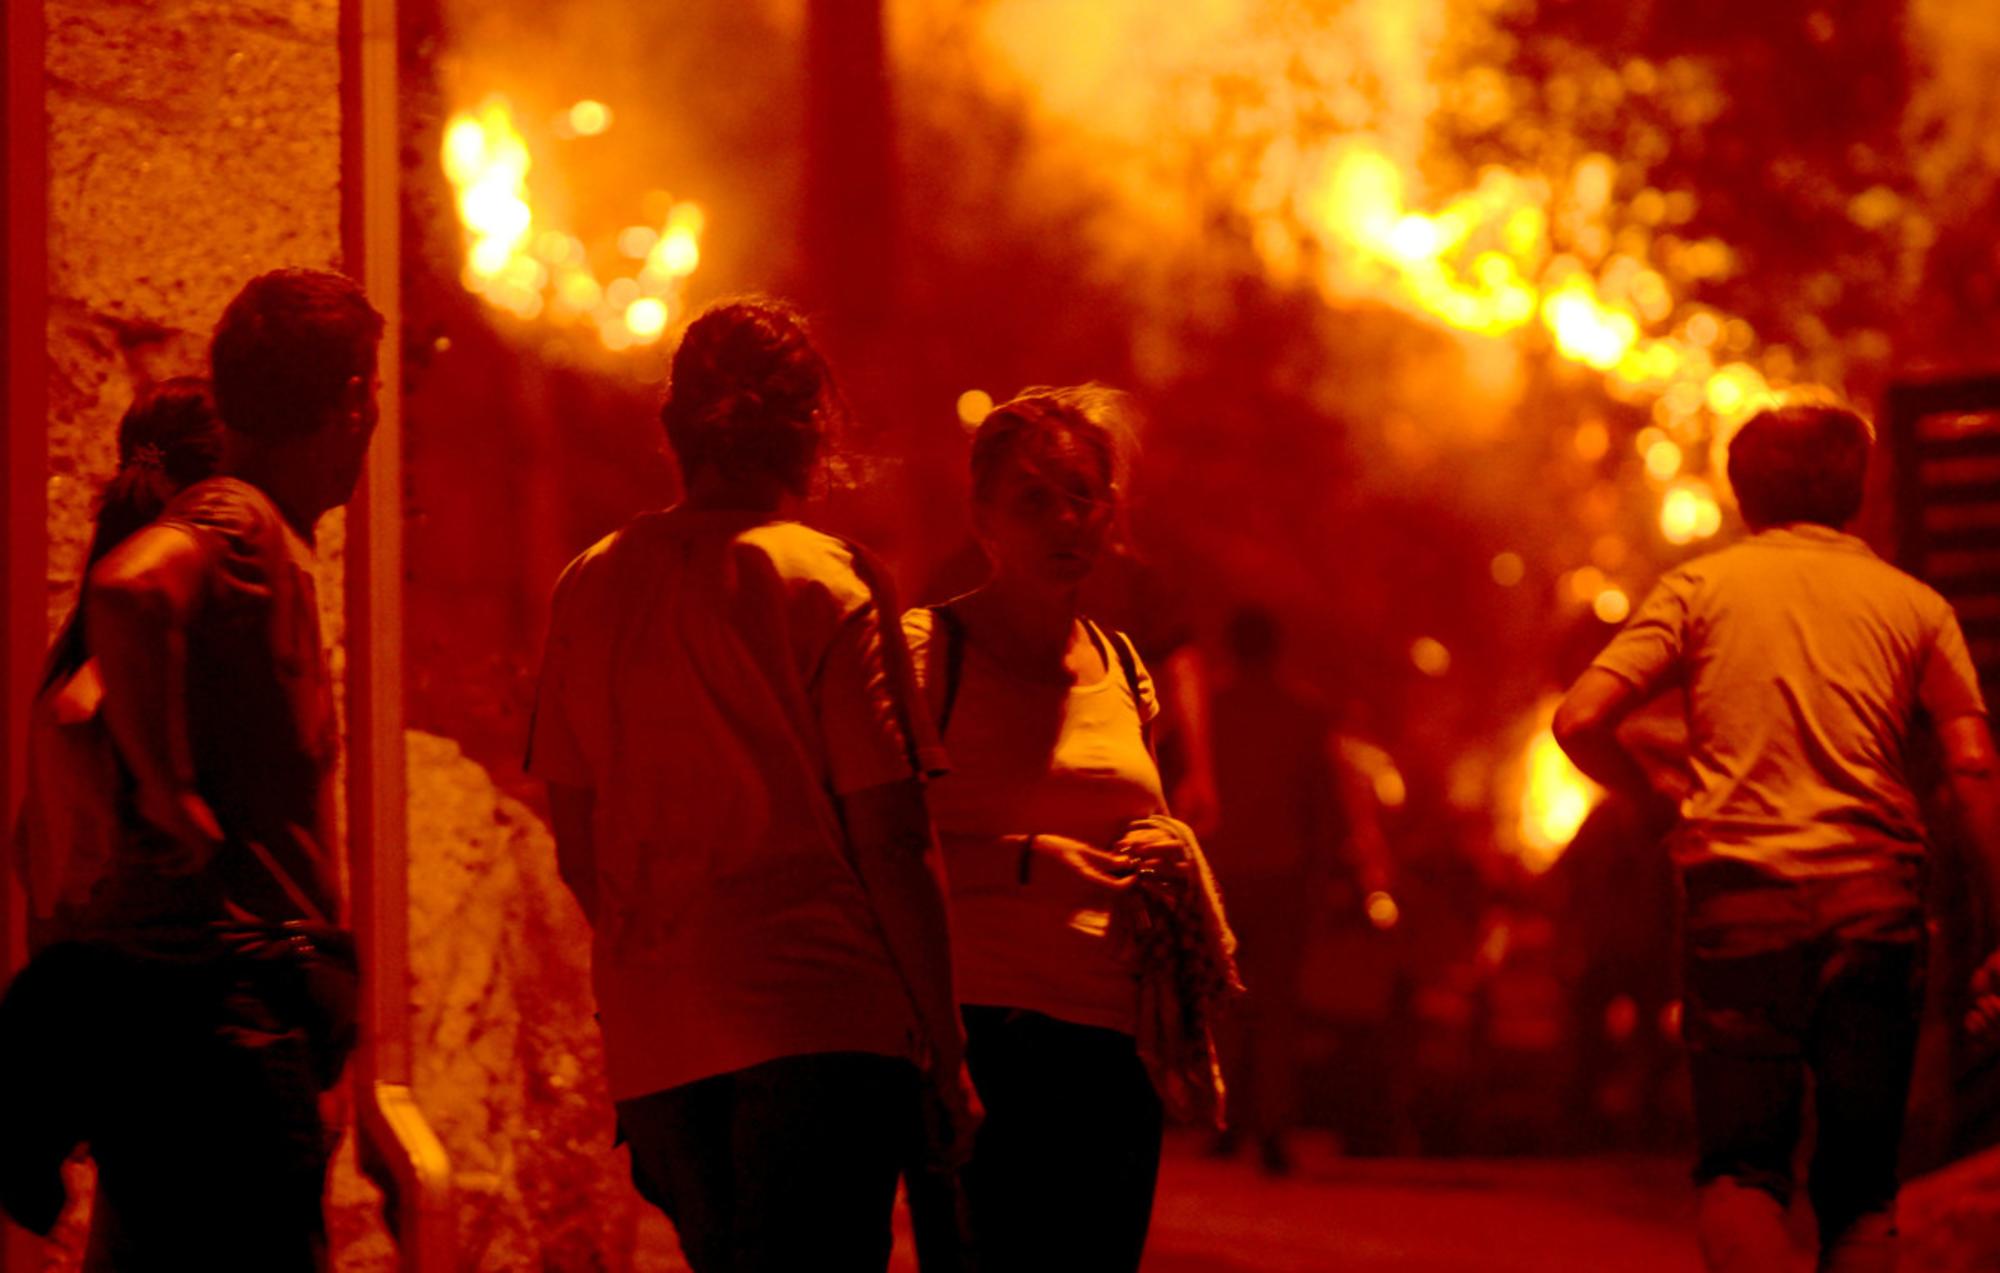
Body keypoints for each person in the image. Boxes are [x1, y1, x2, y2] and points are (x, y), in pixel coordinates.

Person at [525, 297, 975, 1273]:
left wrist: (666, 955)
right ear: (811, 429)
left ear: (674, 427)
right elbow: (892, 835)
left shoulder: (589, 584)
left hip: (659, 1041)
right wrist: (945, 1043)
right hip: (817, 1023)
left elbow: (572, 834)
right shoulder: (829, 584)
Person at [1554, 398, 2000, 1272]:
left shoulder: (1699, 590)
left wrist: (1659, 795)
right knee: (1861, 1185)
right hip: (1878, 906)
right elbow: (1973, 771)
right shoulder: (1917, 607)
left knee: (1742, 1171)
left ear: (1742, 494)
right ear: (1859, 496)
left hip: (1740, 904)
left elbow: (1580, 720)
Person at [69, 269, 380, 1269]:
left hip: (182, 1024)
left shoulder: (256, 531)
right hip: (230, 1036)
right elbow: (127, 590)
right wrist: (173, 794)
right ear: (349, 402)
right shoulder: (238, 522)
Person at [904, 385, 1225, 1272]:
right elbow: (882, 847)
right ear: (983, 516)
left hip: (1109, 1045)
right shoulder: (931, 654)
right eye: (1035, 499)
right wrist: (1025, 864)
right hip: (981, 1032)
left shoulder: (1123, 669)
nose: (1065, 521)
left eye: (1084, 496)